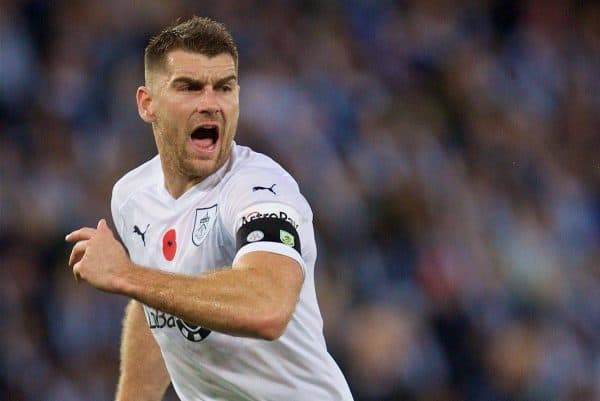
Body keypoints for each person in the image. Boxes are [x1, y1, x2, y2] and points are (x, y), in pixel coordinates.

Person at [65, 16, 354, 401]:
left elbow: (268, 307)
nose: (210, 104)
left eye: (224, 88)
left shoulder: (262, 191)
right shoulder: (131, 195)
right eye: (189, 87)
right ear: (147, 104)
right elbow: (156, 306)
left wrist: (127, 275)